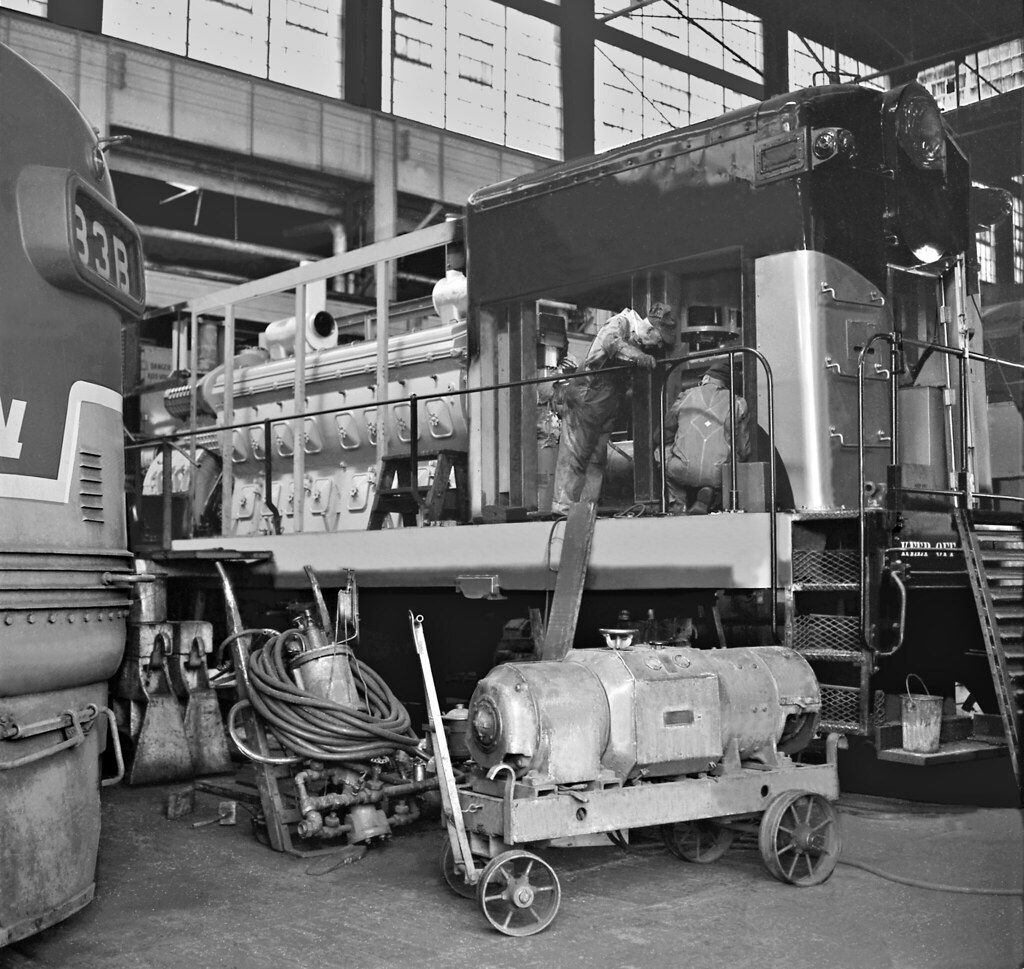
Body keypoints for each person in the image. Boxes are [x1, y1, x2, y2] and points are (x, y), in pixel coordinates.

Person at [551, 302, 675, 515]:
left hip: (606, 403)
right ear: (651, 329)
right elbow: (611, 343)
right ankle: (563, 508)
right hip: (586, 396)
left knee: (597, 459)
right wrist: (639, 357)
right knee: (577, 454)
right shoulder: (620, 323)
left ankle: (586, 510)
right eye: (660, 340)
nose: (658, 345)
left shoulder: (638, 340)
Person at [663, 358, 751, 514]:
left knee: (661, 452)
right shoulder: (738, 403)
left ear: (706, 378)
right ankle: (711, 496)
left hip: (683, 470)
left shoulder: (686, 396)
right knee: (734, 459)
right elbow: (744, 449)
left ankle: (678, 505)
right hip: (720, 474)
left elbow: (664, 432)